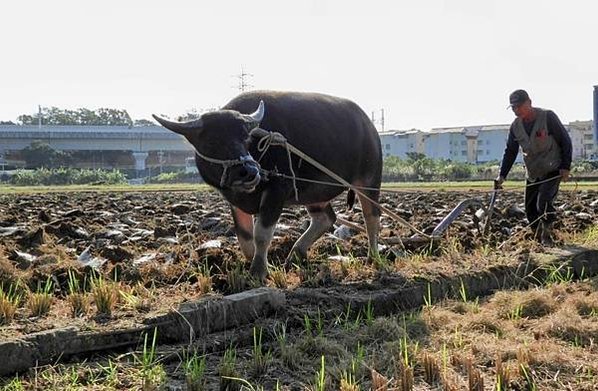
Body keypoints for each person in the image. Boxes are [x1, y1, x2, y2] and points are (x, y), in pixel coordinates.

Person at [495, 89, 572, 245]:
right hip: (533, 171)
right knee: (530, 209)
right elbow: (510, 151)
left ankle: (547, 235)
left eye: (519, 106)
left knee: (543, 201)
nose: (516, 110)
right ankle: (537, 236)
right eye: (513, 108)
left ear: (529, 103)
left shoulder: (547, 117)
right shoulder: (515, 126)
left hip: (553, 168)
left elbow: (565, 140)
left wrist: (565, 166)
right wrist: (502, 175)